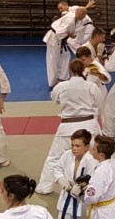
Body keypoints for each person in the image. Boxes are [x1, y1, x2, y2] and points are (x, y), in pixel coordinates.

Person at [37, 59, 103, 195]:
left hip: (67, 126)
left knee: (54, 157)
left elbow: (55, 99)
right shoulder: (91, 87)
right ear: (83, 70)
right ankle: (105, 181)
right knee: (99, 154)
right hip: (88, 126)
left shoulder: (61, 86)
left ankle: (45, 187)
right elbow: (98, 102)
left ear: (70, 71)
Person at [45, 129, 98, 219]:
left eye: (78, 146)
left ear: (86, 146)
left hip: (84, 203)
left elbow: (94, 181)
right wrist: (64, 184)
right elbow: (57, 169)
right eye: (72, 145)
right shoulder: (67, 155)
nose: (74, 148)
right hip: (67, 199)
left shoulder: (92, 161)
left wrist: (81, 189)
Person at [43, 0, 95, 88]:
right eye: (83, 16)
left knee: (66, 56)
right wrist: (70, 35)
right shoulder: (70, 19)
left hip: (60, 39)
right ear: (79, 14)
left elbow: (81, 9)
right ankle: (52, 83)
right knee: (53, 60)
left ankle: (63, 78)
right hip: (54, 39)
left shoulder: (75, 14)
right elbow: (59, 33)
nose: (83, 18)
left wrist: (88, 6)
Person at [76, 45, 111, 130]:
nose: (81, 62)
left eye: (83, 60)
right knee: (89, 115)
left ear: (89, 57)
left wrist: (98, 74)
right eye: (79, 60)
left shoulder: (96, 66)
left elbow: (107, 79)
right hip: (87, 94)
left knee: (104, 114)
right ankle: (90, 131)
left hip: (99, 93)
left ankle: (108, 132)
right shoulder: (82, 66)